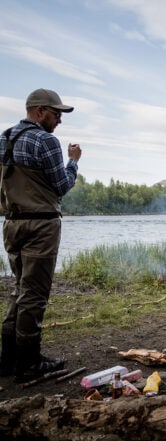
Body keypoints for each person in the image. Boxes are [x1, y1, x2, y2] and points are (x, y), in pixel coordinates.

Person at [0, 88, 82, 383]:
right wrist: (73, 161)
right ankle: (29, 363)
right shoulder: (45, 141)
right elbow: (61, 185)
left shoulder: (5, 137)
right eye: (56, 113)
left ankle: (7, 360)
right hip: (41, 224)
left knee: (18, 290)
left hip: (11, 223)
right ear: (38, 111)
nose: (59, 119)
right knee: (34, 294)